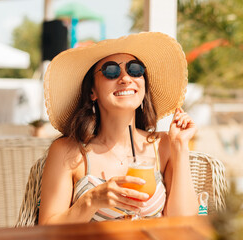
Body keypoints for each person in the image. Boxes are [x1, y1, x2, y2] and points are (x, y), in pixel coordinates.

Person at [38, 32, 199, 224]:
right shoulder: (68, 151)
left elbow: (184, 222)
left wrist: (180, 147)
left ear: (144, 85)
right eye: (111, 71)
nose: (125, 78)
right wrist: (92, 200)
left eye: (135, 70)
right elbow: (46, 230)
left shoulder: (164, 145)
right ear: (92, 91)